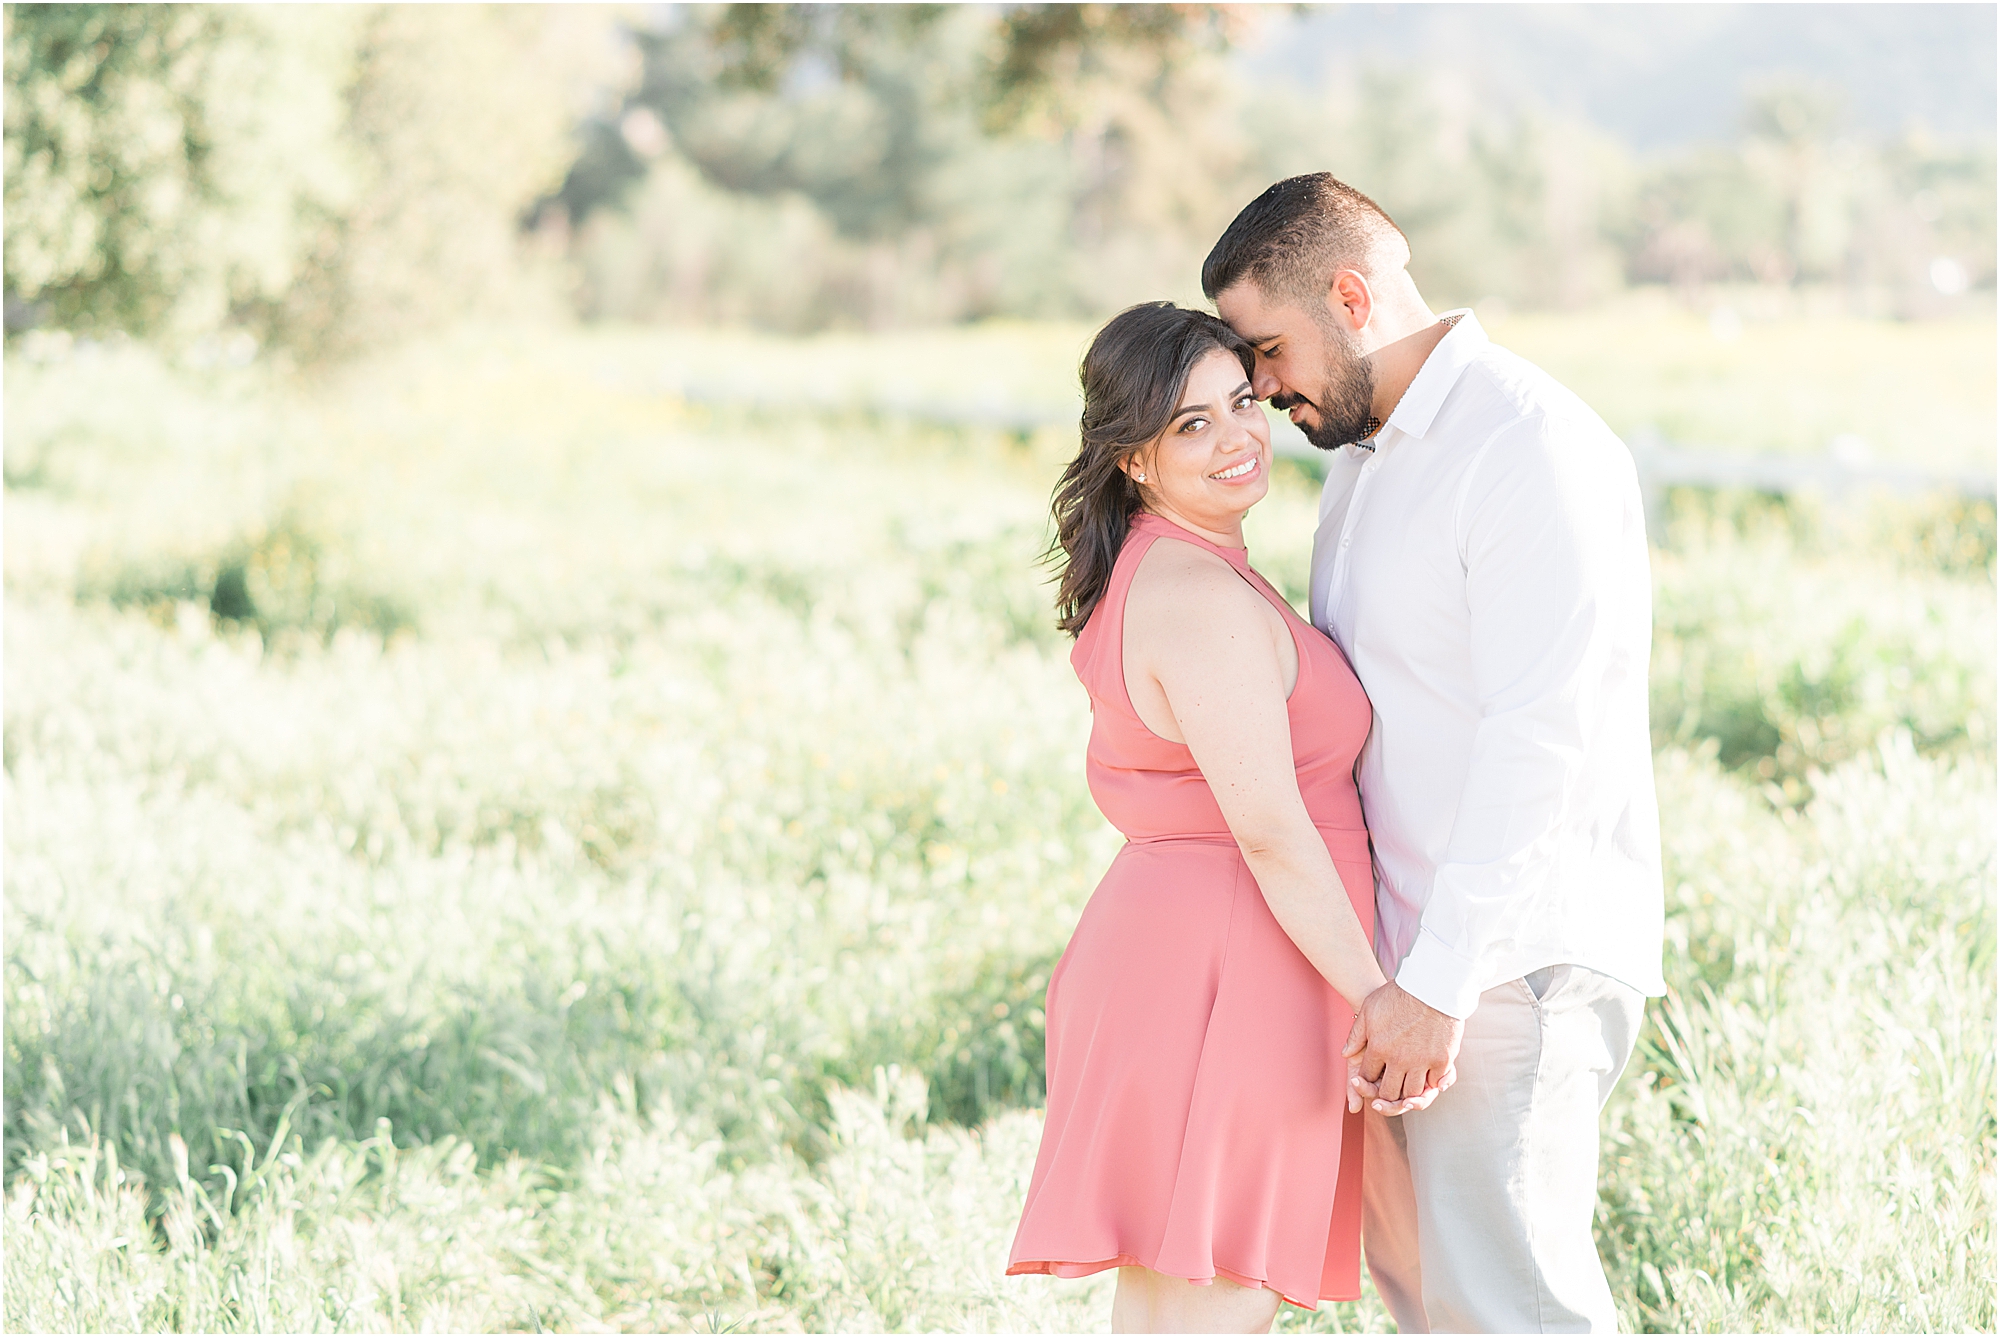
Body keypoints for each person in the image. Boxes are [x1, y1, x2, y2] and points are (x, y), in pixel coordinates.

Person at [1201, 173, 1667, 1334]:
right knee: (1433, 1308)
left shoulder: (1525, 445)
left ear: (1351, 295)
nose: (1260, 386)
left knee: (1513, 1308)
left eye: (1268, 346)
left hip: (1503, 968)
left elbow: (1540, 733)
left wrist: (1441, 977)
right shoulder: (1363, 463)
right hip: (1399, 970)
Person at [1006, 301, 1446, 1334]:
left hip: (1217, 948)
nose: (1237, 435)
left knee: (1180, 1297)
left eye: (1240, 401)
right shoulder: (1196, 598)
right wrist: (1379, 995)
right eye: (1189, 424)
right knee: (1221, 1290)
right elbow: (1269, 829)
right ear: (1134, 459)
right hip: (1228, 962)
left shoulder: (1190, 568)